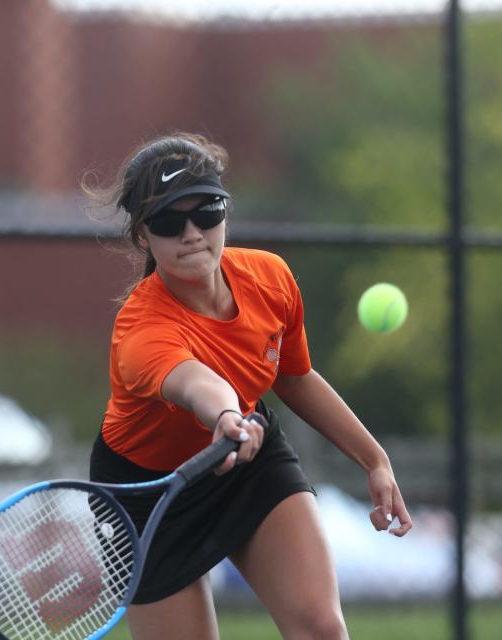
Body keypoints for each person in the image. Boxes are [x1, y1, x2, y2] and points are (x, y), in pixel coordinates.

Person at [87, 132, 412, 640]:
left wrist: (374, 459)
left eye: (208, 211)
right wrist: (224, 415)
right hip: (149, 498)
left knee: (322, 628)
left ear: (226, 213)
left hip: (248, 460)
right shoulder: (141, 329)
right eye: (171, 221)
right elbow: (196, 382)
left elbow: (294, 376)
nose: (193, 232)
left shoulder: (271, 277)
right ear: (144, 238)